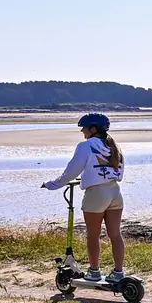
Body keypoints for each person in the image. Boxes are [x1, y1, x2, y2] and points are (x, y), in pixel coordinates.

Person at [43, 113, 127, 284]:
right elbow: (117, 172)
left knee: (93, 235)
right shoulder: (114, 147)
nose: (82, 130)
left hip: (96, 194)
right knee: (115, 234)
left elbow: (71, 171)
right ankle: (118, 272)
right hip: (115, 192)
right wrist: (90, 176)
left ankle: (94, 271)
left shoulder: (85, 146)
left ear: (93, 128)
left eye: (84, 127)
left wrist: (52, 184)